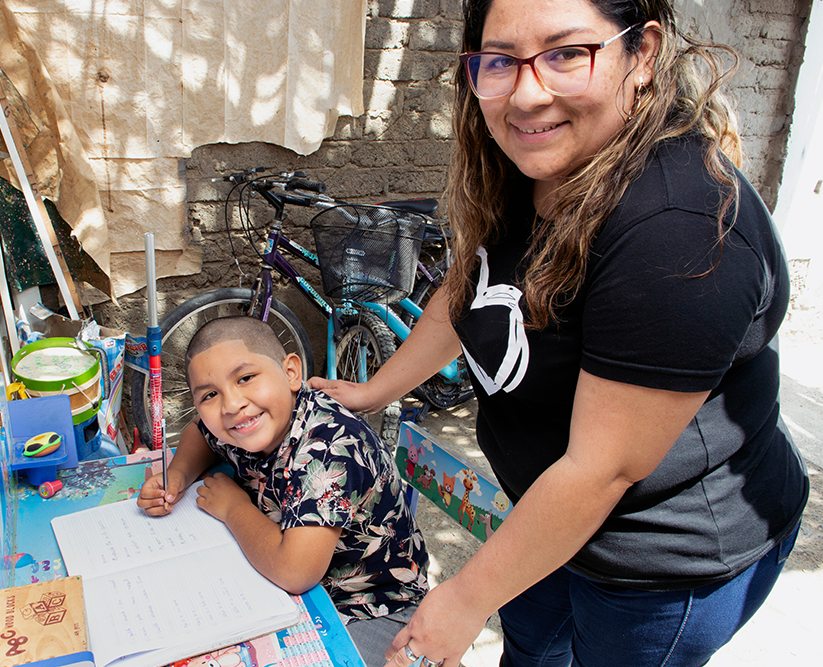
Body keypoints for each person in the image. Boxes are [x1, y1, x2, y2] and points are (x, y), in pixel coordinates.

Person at [309, 1, 809, 666]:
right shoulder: (534, 167)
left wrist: (463, 599)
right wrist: (374, 391)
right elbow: (470, 288)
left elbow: (603, 468)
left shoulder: (677, 228)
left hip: (656, 563)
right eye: (500, 61)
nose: (527, 93)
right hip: (545, 522)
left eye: (567, 54)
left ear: (643, 54)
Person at [137, 316, 429, 667]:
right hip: (293, 584)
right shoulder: (248, 420)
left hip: (371, 606)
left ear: (291, 372)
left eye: (246, 378)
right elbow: (199, 434)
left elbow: (295, 572)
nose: (231, 404)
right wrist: (178, 476)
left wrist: (233, 508)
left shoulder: (328, 448)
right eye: (210, 395)